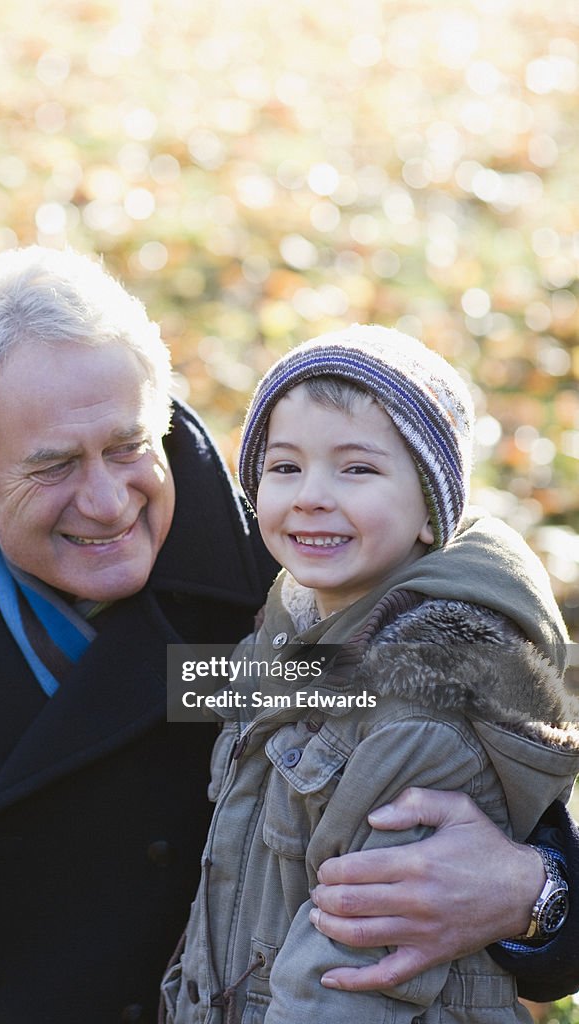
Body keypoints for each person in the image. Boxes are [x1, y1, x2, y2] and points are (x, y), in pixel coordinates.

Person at [0, 248, 576, 1024]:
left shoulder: (300, 589)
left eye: (129, 445)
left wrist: (527, 892)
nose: (106, 502)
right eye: (56, 466)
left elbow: (494, 798)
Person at [161, 326, 579, 1023]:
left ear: (429, 514)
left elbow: (352, 975)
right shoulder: (292, 622)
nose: (311, 496)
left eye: (356, 469)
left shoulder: (419, 704)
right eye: (285, 467)